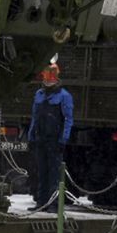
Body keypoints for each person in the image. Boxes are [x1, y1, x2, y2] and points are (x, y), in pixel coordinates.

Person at [27, 62, 73, 211]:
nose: (48, 77)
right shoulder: (39, 94)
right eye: (46, 74)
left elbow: (68, 119)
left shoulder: (64, 96)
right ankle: (41, 202)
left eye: (51, 74)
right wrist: (31, 136)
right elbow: (35, 116)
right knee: (41, 171)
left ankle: (53, 204)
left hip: (54, 139)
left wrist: (63, 139)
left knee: (54, 173)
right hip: (40, 138)